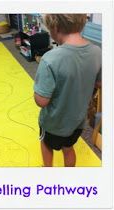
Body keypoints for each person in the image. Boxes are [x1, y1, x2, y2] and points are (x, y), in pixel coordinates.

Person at [33, 14, 101, 167]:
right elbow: (99, 83)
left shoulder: (49, 59)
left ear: (55, 27)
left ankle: (47, 170)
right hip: (77, 123)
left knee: (46, 144)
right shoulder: (97, 52)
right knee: (68, 148)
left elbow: (41, 101)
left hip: (53, 124)